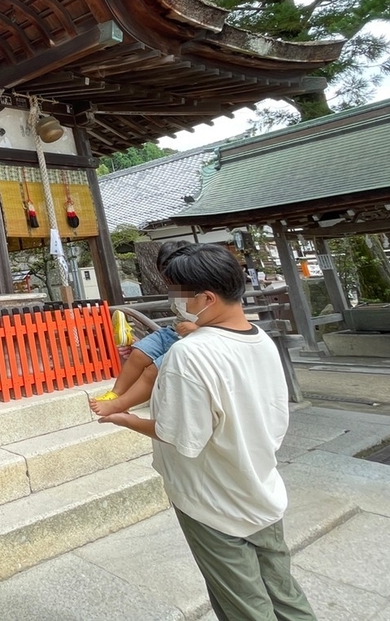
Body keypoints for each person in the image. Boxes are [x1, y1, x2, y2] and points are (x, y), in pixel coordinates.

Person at [100, 241, 315, 621]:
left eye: (177, 294)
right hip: (258, 486)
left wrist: (125, 418)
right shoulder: (260, 338)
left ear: (206, 298)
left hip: (214, 501)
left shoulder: (191, 353)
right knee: (284, 595)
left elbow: (181, 436)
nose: (174, 301)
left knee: (244, 607)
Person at [90, 314, 197, 416]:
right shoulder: (181, 298)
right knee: (138, 353)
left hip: (195, 340)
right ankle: (115, 394)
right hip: (172, 332)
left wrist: (198, 327)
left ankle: (119, 405)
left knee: (153, 370)